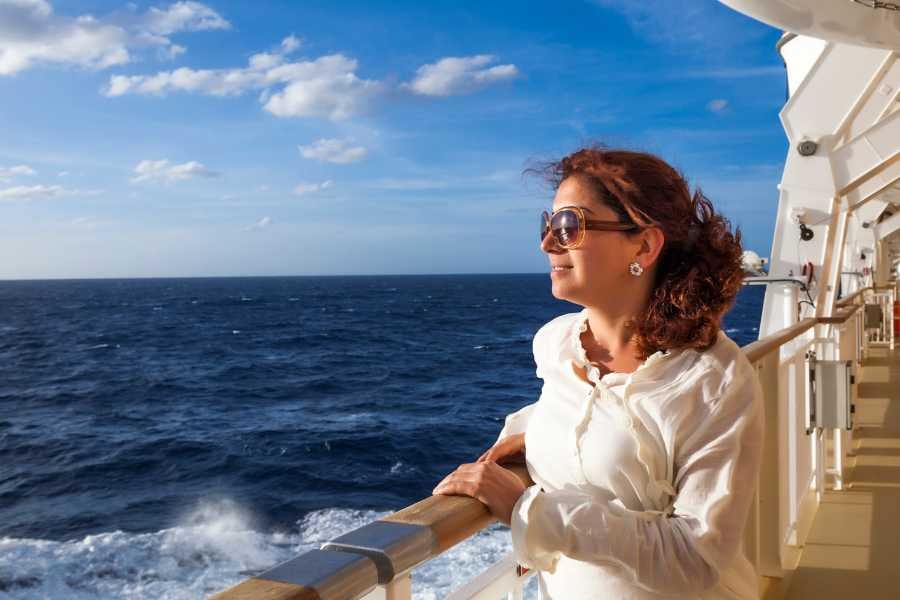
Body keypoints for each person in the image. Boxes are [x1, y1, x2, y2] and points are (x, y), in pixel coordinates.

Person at [432, 146, 765, 599]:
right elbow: (587, 406)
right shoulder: (556, 344)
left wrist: (527, 510)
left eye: (569, 225)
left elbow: (694, 560)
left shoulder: (713, 380)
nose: (548, 243)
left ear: (644, 246)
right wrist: (530, 432)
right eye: (548, 225)